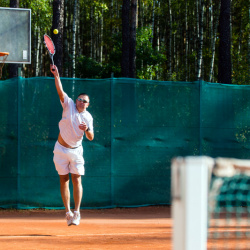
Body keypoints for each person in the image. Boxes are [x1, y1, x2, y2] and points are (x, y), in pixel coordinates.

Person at [50, 65, 94, 226]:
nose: (81, 102)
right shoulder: (68, 104)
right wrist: (56, 75)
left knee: (76, 179)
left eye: (85, 101)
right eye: (80, 99)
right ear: (76, 101)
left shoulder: (88, 118)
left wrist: (87, 129)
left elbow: (91, 137)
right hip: (60, 149)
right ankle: (68, 212)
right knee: (63, 180)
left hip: (76, 152)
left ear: (88, 104)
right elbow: (60, 91)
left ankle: (77, 213)